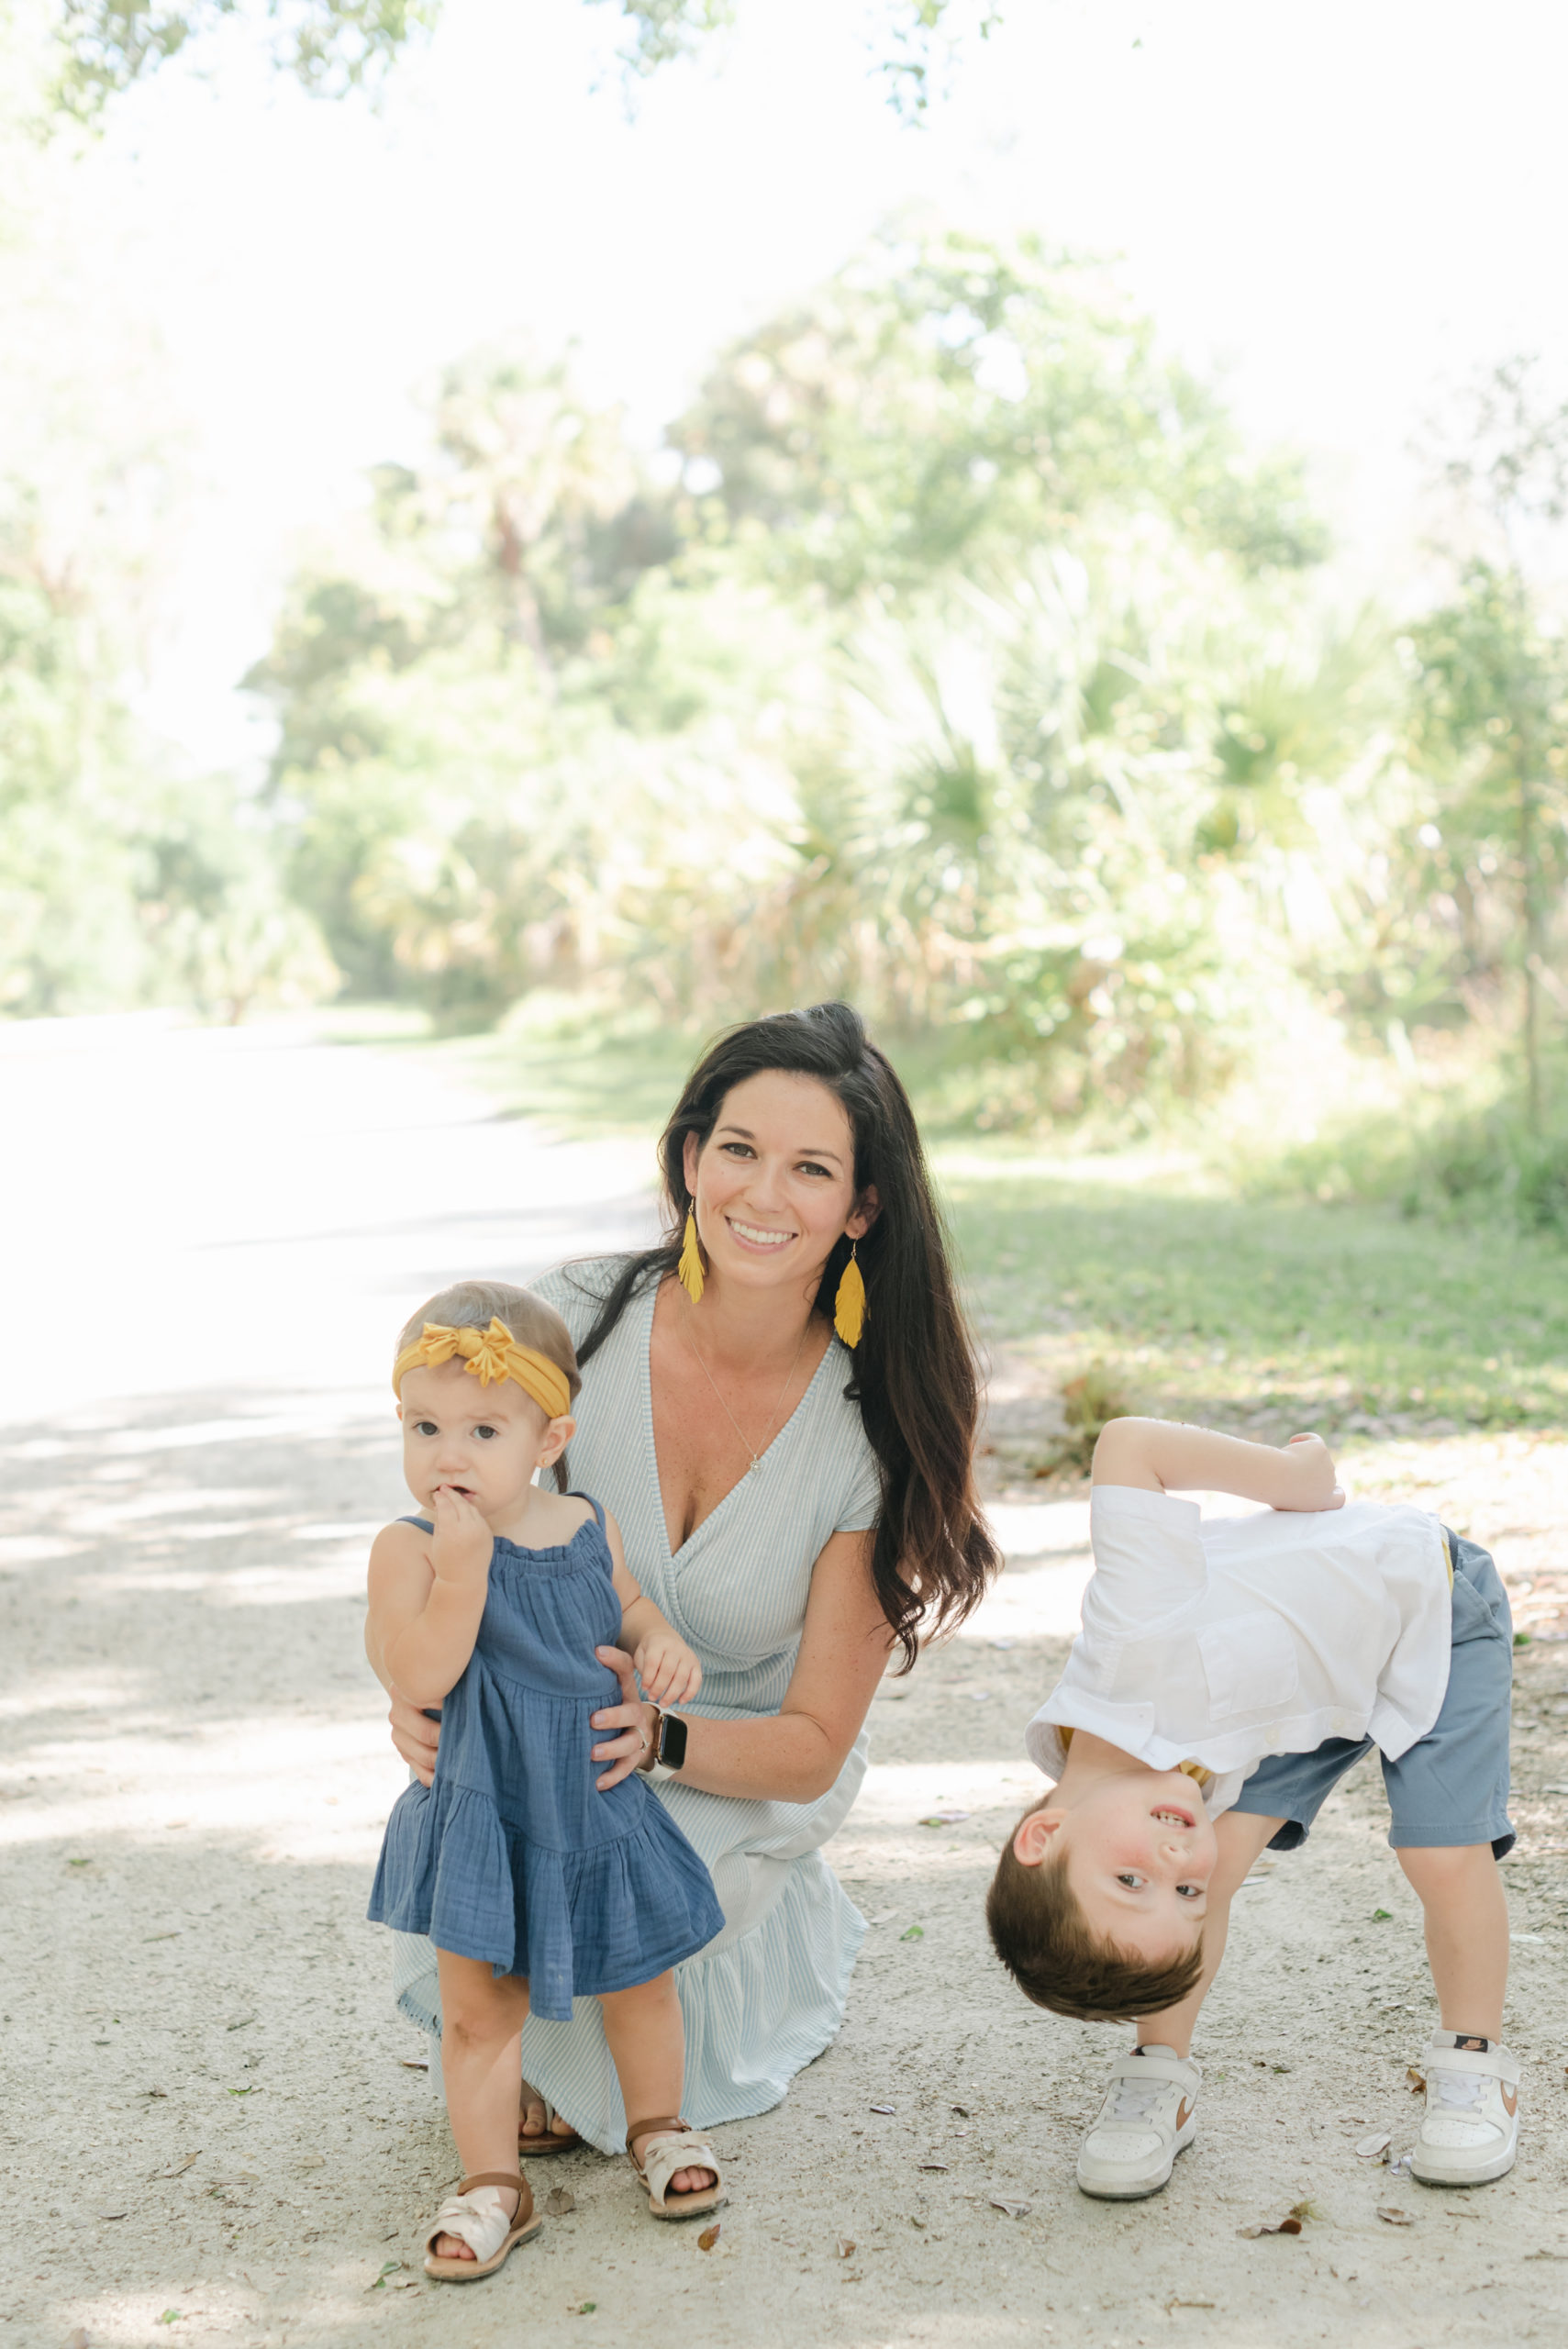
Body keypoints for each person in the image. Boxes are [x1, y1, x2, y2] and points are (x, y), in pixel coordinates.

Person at [371, 1001, 1001, 2164]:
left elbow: (813, 1736)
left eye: (811, 1168)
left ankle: (725, 1963)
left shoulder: (871, 1433)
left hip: (739, 1741)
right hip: (542, 1717)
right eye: (738, 1150)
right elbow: (450, 1503)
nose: (763, 1195)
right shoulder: (572, 1320)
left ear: (860, 1208)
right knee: (496, 1881)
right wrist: (421, 1692)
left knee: (641, 1900)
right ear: (689, 1159)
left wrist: (658, 1739)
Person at [986, 1416, 1518, 2199]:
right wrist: (1182, 1889)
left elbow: (1128, 1445)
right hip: (1297, 1704)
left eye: (1130, 1882)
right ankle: (1158, 2072)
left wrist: (1288, 1480)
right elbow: (1179, 1870)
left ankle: (1476, 2064)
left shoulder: (1133, 1634)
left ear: (1044, 1833)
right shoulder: (1156, 1802)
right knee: (1225, 1858)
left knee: (1440, 1851)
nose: (1175, 1866)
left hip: (1429, 1608)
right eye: (1182, 1896)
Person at [365, 1282, 728, 2278]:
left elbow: (628, 1606)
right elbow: (415, 1674)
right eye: (425, 1425)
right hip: (484, 1811)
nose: (449, 1454)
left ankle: (659, 2123)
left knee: (639, 1980)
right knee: (479, 2013)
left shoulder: (582, 1523)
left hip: (589, 1795)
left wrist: (659, 1645)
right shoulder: (409, 1549)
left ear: (547, 1435)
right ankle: (493, 2183)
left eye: (482, 1428)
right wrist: (462, 1573)